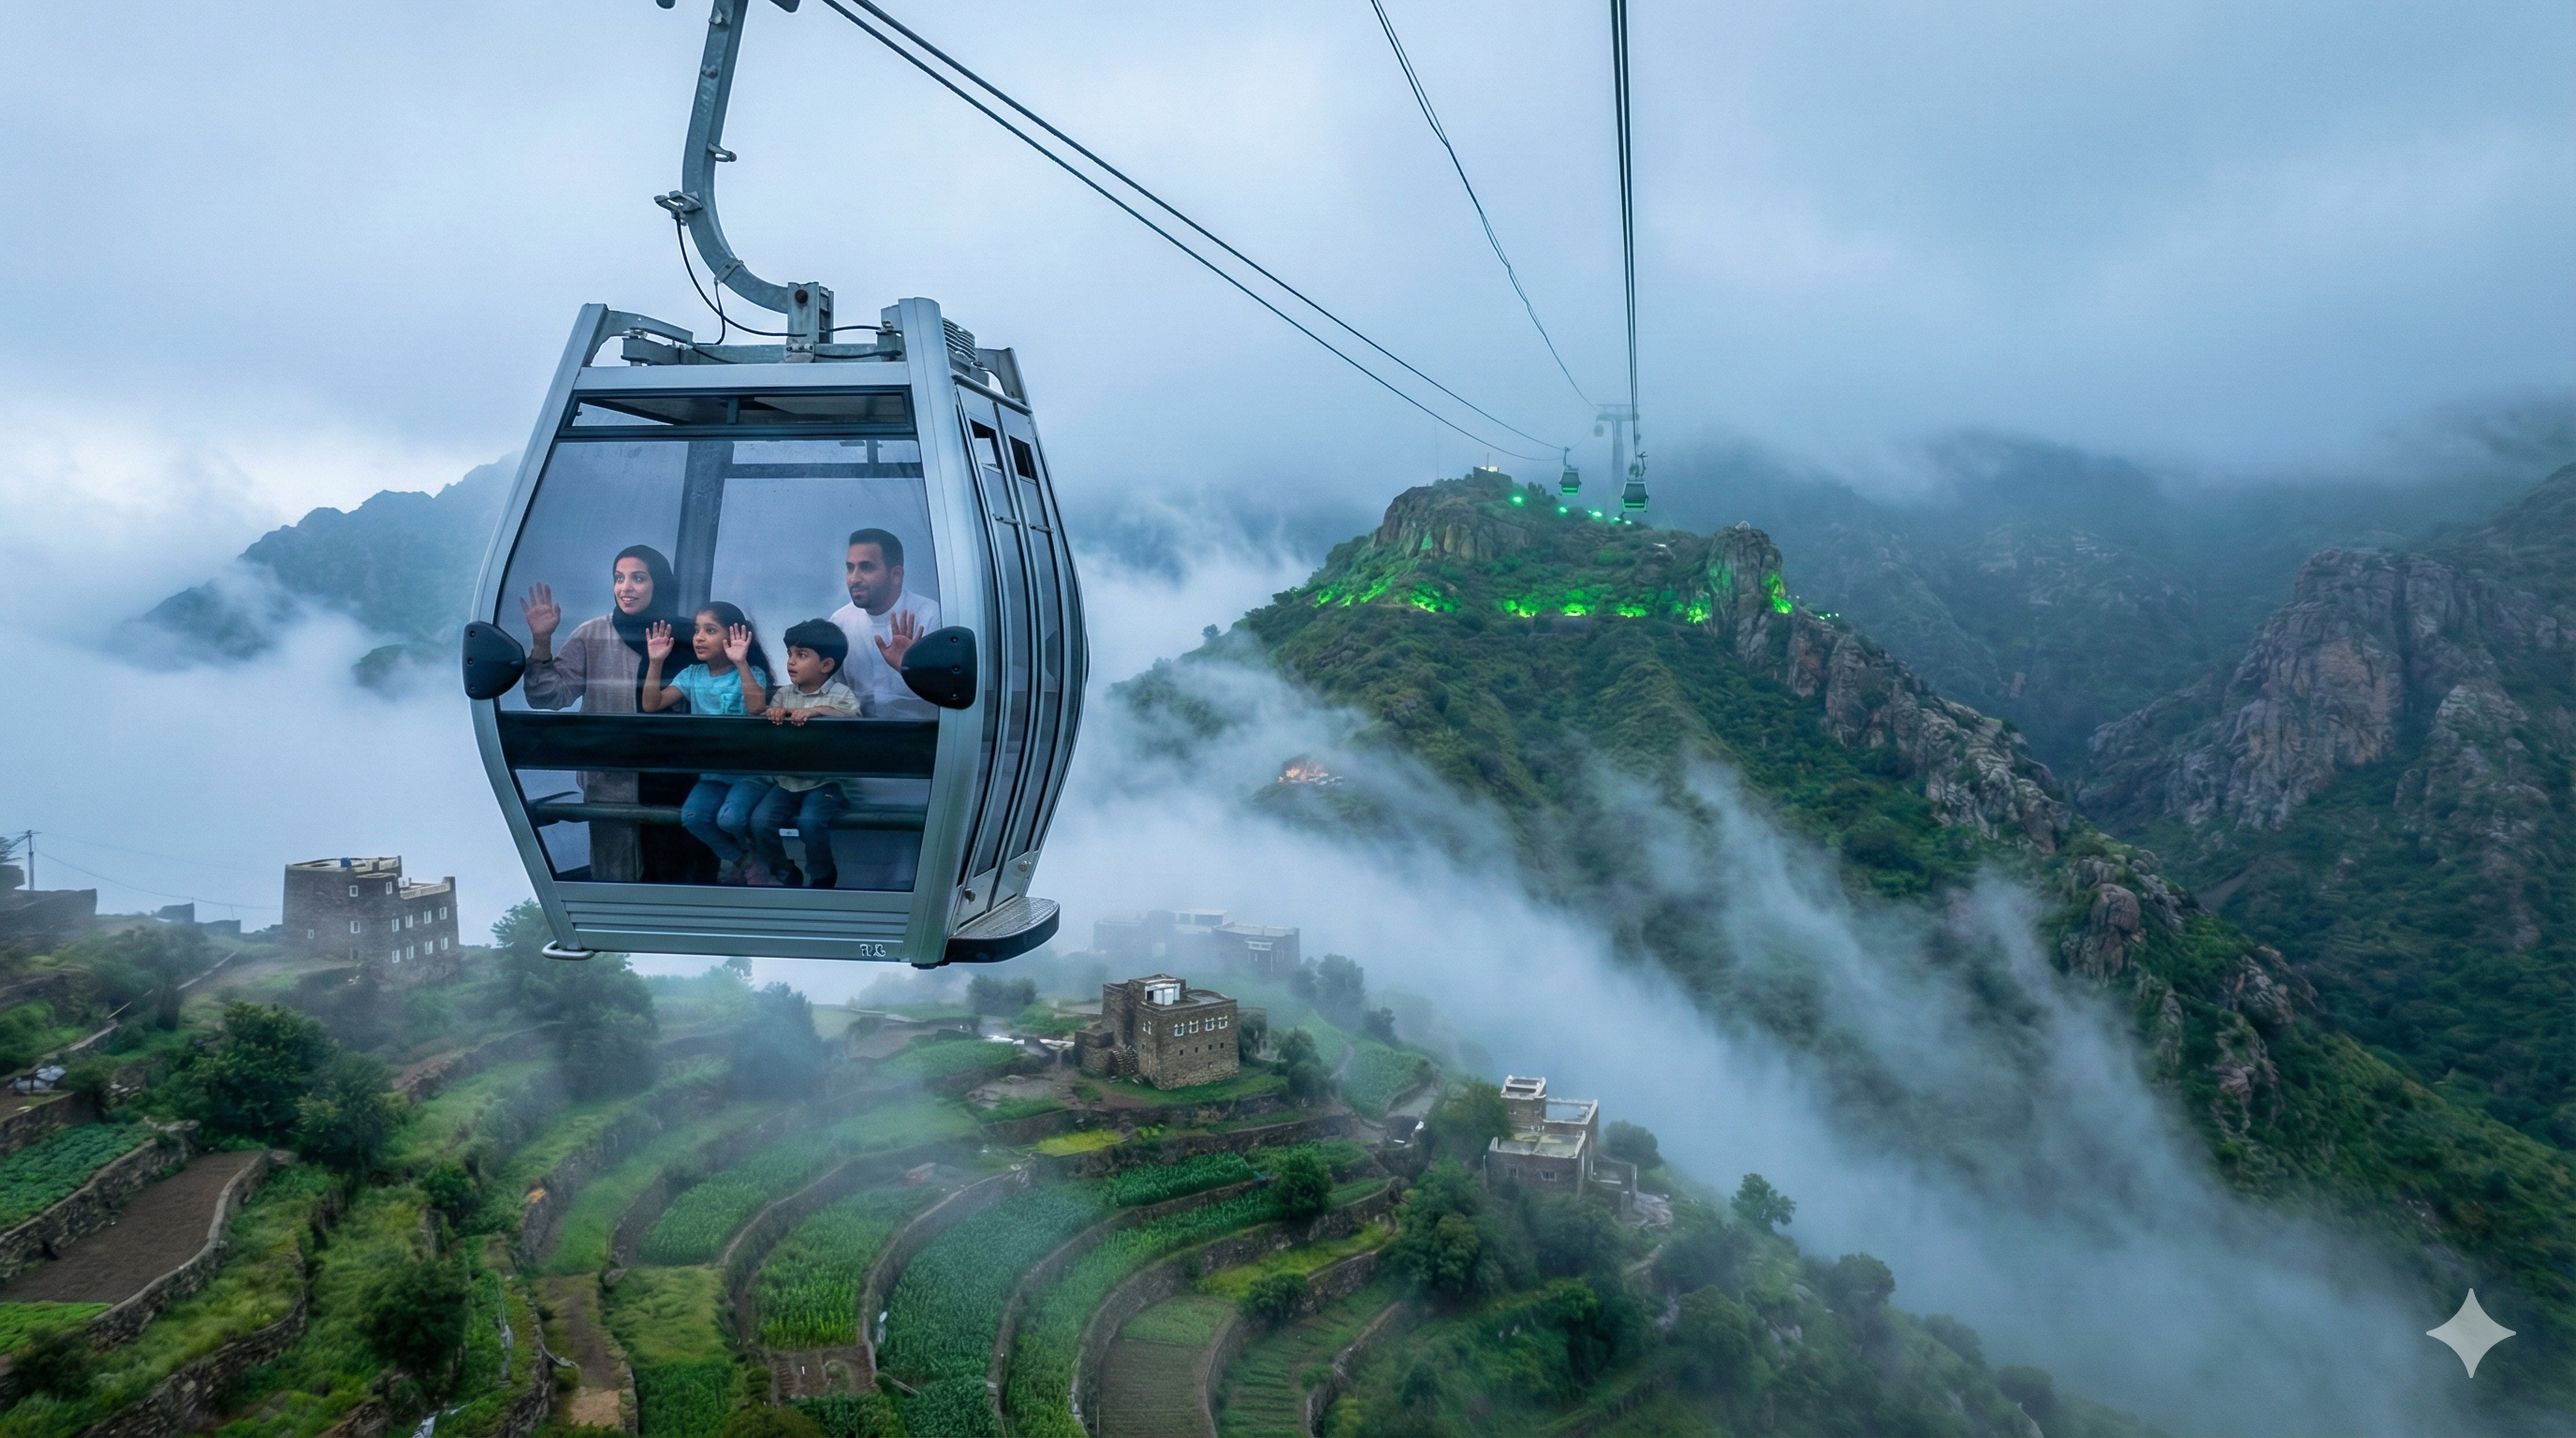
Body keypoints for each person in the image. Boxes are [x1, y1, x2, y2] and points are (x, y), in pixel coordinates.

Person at [517, 545, 678, 882]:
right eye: (619, 578)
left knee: (676, 876)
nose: (625, 587)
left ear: (659, 584)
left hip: (677, 782)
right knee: (616, 878)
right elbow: (549, 696)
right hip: (613, 787)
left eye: (638, 578)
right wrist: (541, 641)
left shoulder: (688, 638)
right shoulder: (594, 635)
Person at [641, 602, 775, 884]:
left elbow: (755, 708)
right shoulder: (691, 675)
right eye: (696, 630)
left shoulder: (751, 673)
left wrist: (740, 662)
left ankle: (768, 860)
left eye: (710, 630)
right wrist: (655, 662)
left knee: (730, 818)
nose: (699, 637)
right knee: (693, 816)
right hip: (713, 774)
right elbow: (652, 704)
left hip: (748, 774)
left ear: (734, 636)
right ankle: (743, 859)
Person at [749, 619, 861, 888]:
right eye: (789, 654)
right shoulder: (784, 695)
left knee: (810, 822)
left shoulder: (839, 694)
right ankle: (784, 870)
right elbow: (771, 721)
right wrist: (773, 713)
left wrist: (818, 711)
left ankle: (821, 873)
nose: (791, 662)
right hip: (788, 781)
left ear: (826, 665)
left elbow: (853, 718)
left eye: (801, 655)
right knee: (760, 821)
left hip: (825, 782)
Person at [829, 527, 939, 721]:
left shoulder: (931, 618)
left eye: (866, 567)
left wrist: (914, 670)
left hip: (923, 741)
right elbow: (829, 692)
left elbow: (953, 696)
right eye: (850, 568)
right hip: (860, 738)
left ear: (896, 574)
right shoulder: (840, 623)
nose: (854, 578)